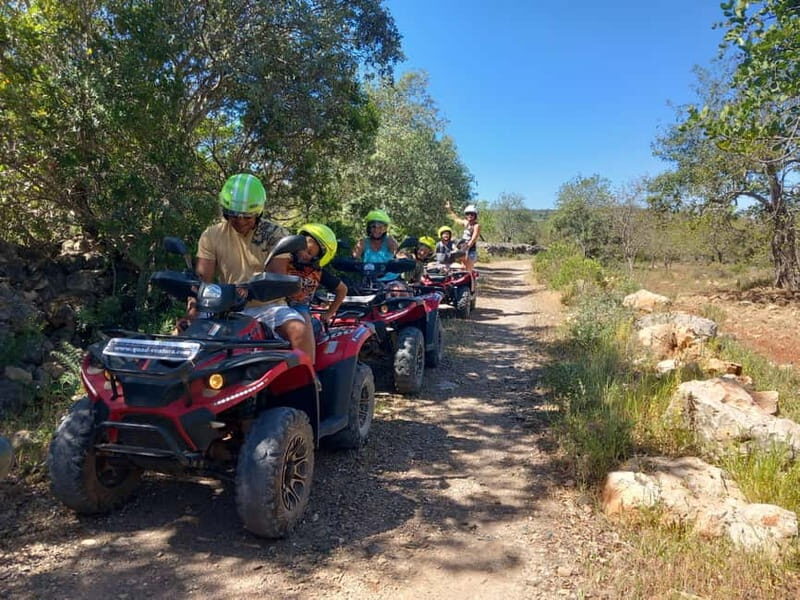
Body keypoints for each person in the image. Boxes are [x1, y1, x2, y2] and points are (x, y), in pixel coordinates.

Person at [193, 173, 312, 358]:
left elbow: (275, 280)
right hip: (224, 307)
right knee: (182, 337)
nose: (241, 221)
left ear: (259, 212)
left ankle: (308, 383)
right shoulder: (211, 235)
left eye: (247, 217)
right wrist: (192, 309)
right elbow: (202, 279)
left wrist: (247, 291)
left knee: (298, 330)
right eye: (234, 216)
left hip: (268, 306)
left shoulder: (275, 234)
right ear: (225, 212)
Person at [282, 223, 348, 361]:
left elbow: (342, 289)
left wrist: (329, 313)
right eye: (302, 248)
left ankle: (308, 370)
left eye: (310, 253)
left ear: (319, 258)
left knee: (304, 339)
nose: (304, 254)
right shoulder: (282, 261)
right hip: (276, 304)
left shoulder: (318, 273)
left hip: (299, 308)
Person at [352, 209, 400, 281]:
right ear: (369, 228)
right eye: (373, 226)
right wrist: (355, 261)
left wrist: (403, 260)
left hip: (390, 281)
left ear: (385, 229)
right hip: (369, 280)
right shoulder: (362, 242)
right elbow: (354, 258)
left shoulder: (390, 241)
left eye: (380, 227)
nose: (377, 230)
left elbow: (399, 254)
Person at [459, 204, 481, 274]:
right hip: (463, 247)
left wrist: (467, 246)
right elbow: (455, 218)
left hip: (470, 249)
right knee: (462, 268)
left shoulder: (476, 226)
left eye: (472, 214)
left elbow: (474, 238)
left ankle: (472, 284)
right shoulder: (466, 223)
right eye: (468, 214)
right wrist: (449, 209)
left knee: (469, 270)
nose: (470, 216)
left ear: (475, 215)